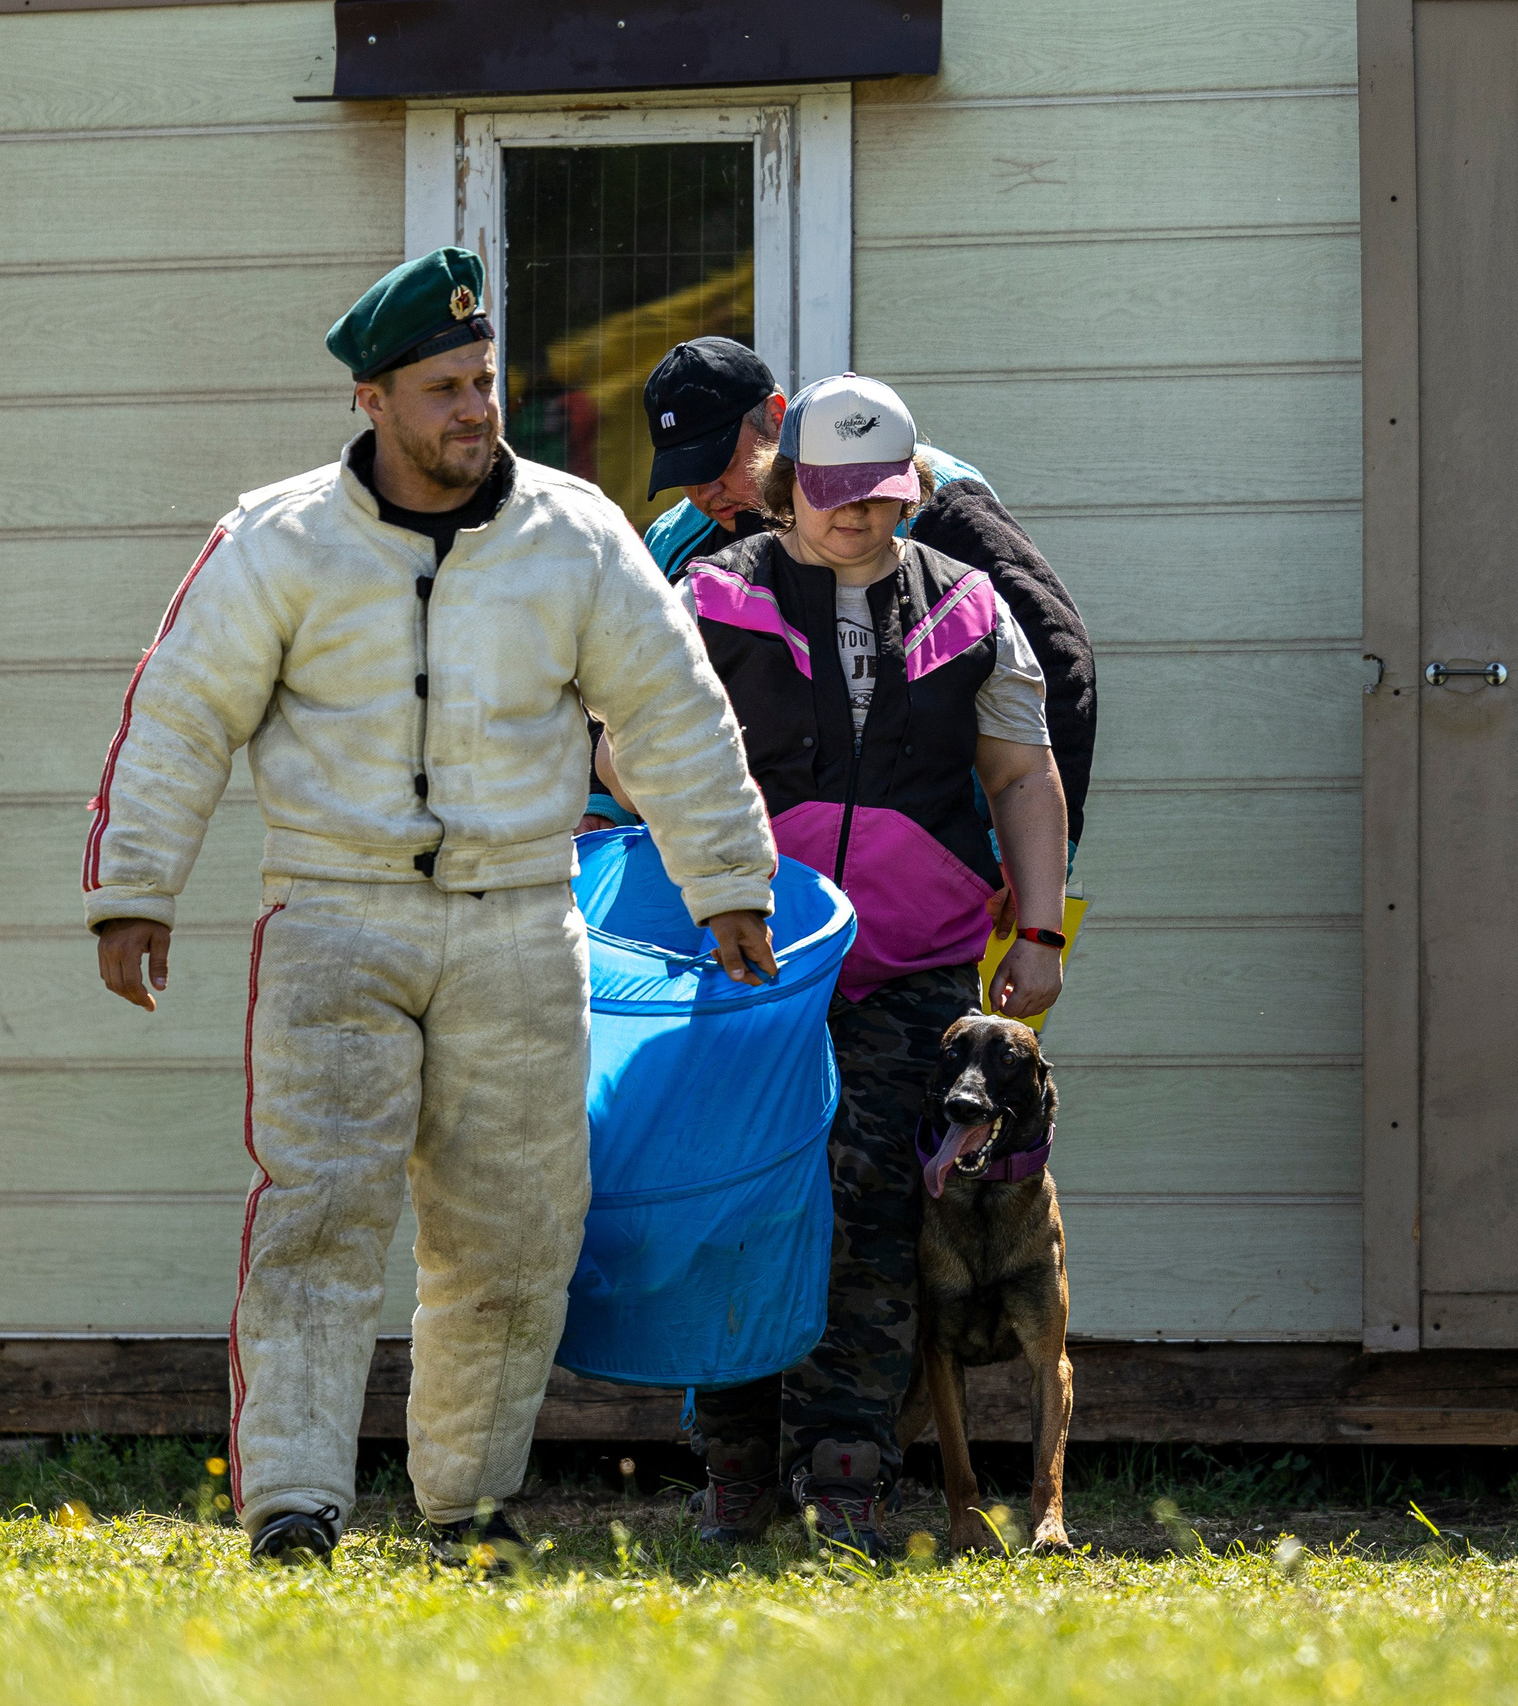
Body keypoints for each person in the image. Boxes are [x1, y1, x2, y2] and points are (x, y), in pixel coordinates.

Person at [83, 248, 780, 1571]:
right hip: (332, 916)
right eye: (447, 388)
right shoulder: (277, 540)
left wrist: (728, 879)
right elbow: (182, 708)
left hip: (523, 916)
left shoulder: (578, 534)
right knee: (319, 1215)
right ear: (375, 400)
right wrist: (135, 887)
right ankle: (293, 1498)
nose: (478, 408)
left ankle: (468, 1499)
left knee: (517, 1230)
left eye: (486, 380)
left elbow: (672, 709)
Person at [597, 373, 1072, 1561]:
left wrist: (1044, 931)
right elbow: (619, 747)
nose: (856, 519)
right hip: (741, 948)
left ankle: (849, 1457)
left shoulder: (968, 603)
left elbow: (1021, 771)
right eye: (832, 496)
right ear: (783, 481)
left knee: (870, 1193)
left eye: (879, 497)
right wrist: (714, 870)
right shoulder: (709, 591)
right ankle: (735, 1459)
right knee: (740, 1189)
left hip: (912, 958)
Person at [590, 339, 1098, 881]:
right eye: (684, 472)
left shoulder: (931, 501)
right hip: (751, 884)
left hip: (937, 881)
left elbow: (1055, 656)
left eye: (721, 461)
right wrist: (603, 810)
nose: (706, 491)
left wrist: (1017, 865)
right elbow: (630, 698)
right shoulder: (681, 545)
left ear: (776, 418)